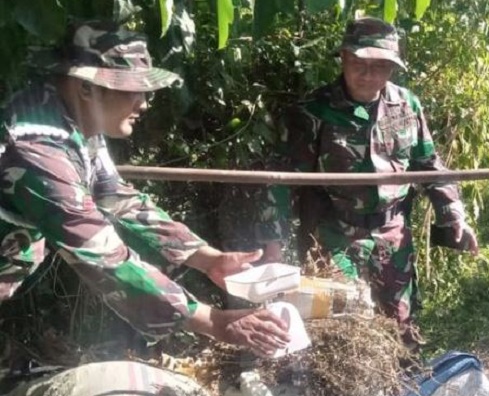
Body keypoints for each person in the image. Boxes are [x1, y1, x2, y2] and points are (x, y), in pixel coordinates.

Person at [0, 22, 291, 360]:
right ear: (85, 87)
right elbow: (101, 256)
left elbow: (118, 198)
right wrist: (212, 320)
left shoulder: (70, 122)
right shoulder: (38, 149)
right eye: (131, 89)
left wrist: (208, 259)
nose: (145, 102)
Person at [259, 17, 479, 346]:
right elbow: (282, 179)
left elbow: (428, 163)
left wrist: (453, 212)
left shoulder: (406, 105)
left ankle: (400, 392)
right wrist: (272, 242)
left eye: (380, 66)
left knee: (400, 327)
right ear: (344, 60)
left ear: (392, 69)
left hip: (393, 236)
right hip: (334, 235)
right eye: (359, 64)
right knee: (338, 327)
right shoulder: (314, 111)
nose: (368, 75)